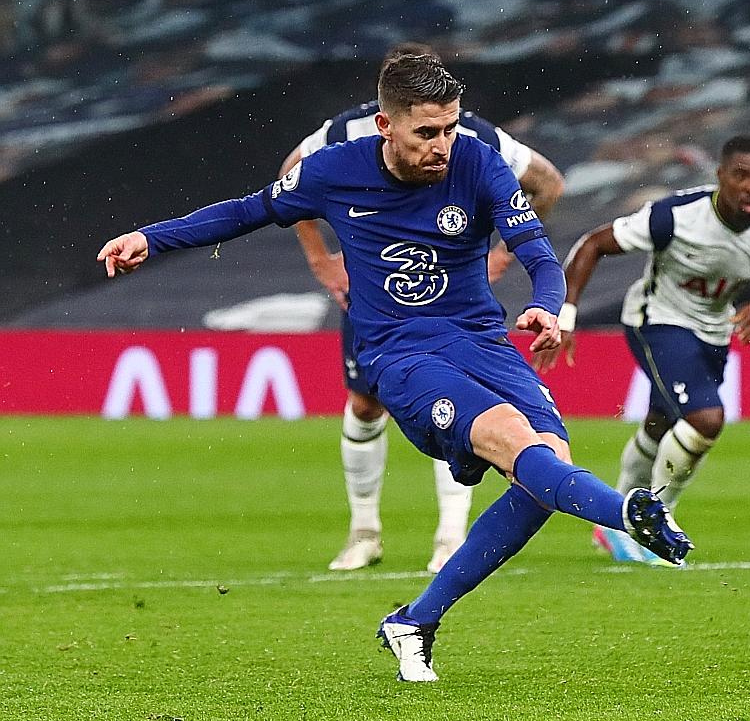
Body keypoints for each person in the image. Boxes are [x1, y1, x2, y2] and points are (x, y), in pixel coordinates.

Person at [98, 53, 691, 682]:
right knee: (518, 444)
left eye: (450, 128)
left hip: (483, 343)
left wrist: (547, 305)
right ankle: (626, 514)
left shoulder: (478, 161)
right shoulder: (333, 170)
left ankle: (415, 621)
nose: (442, 145)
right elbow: (244, 212)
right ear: (386, 125)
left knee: (547, 474)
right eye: (426, 132)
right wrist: (150, 238)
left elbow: (538, 253)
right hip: (401, 355)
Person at [278, 43, 567, 574]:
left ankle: (450, 536)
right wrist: (322, 260)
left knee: (463, 404)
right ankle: (364, 532)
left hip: (454, 300)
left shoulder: (474, 137)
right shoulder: (346, 131)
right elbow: (289, 176)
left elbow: (547, 183)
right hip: (381, 295)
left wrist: (500, 255)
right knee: (365, 405)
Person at [533, 135, 750, 564]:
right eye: (741, 176)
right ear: (720, 176)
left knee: (661, 423)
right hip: (656, 320)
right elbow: (593, 244)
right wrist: (565, 314)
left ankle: (613, 521)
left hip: (713, 331)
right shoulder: (674, 216)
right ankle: (654, 525)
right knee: (705, 419)